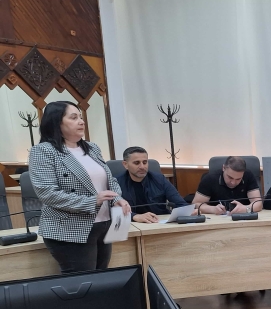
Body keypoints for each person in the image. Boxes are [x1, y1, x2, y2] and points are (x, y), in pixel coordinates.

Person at [29, 101, 131, 273]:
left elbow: (109, 180)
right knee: (82, 284)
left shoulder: (92, 148)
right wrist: (92, 201)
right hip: (70, 229)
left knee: (102, 280)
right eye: (74, 117)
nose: (81, 122)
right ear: (56, 122)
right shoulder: (43, 151)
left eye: (81, 117)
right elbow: (47, 193)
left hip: (103, 224)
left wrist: (117, 198)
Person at [116, 146, 188, 223]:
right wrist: (134, 216)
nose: (142, 167)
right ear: (125, 164)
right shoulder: (116, 183)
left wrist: (188, 211)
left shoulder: (159, 179)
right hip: (132, 224)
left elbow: (180, 204)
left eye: (145, 162)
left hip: (159, 222)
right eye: (137, 163)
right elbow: (112, 210)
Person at [193, 156, 262, 214]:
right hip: (217, 219)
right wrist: (212, 209)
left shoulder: (248, 175)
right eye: (230, 177)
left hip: (243, 218)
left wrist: (245, 209)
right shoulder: (210, 178)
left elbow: (258, 203)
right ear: (223, 168)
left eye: (238, 179)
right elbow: (196, 204)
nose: (233, 182)